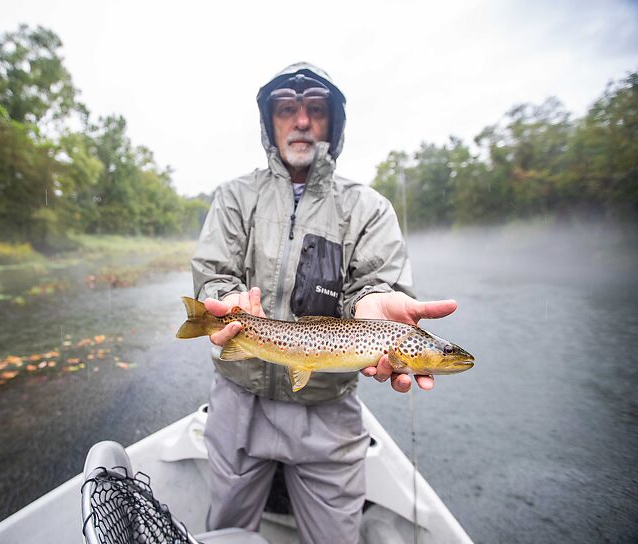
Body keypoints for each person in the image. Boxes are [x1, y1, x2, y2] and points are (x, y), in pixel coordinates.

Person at [191, 62, 458, 544]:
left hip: (329, 414)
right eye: (287, 109)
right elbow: (215, 273)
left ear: (333, 123)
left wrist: (377, 300)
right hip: (237, 401)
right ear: (268, 122)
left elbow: (377, 285)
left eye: (315, 110)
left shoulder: (368, 208)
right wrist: (224, 301)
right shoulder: (234, 197)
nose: (301, 121)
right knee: (225, 533)